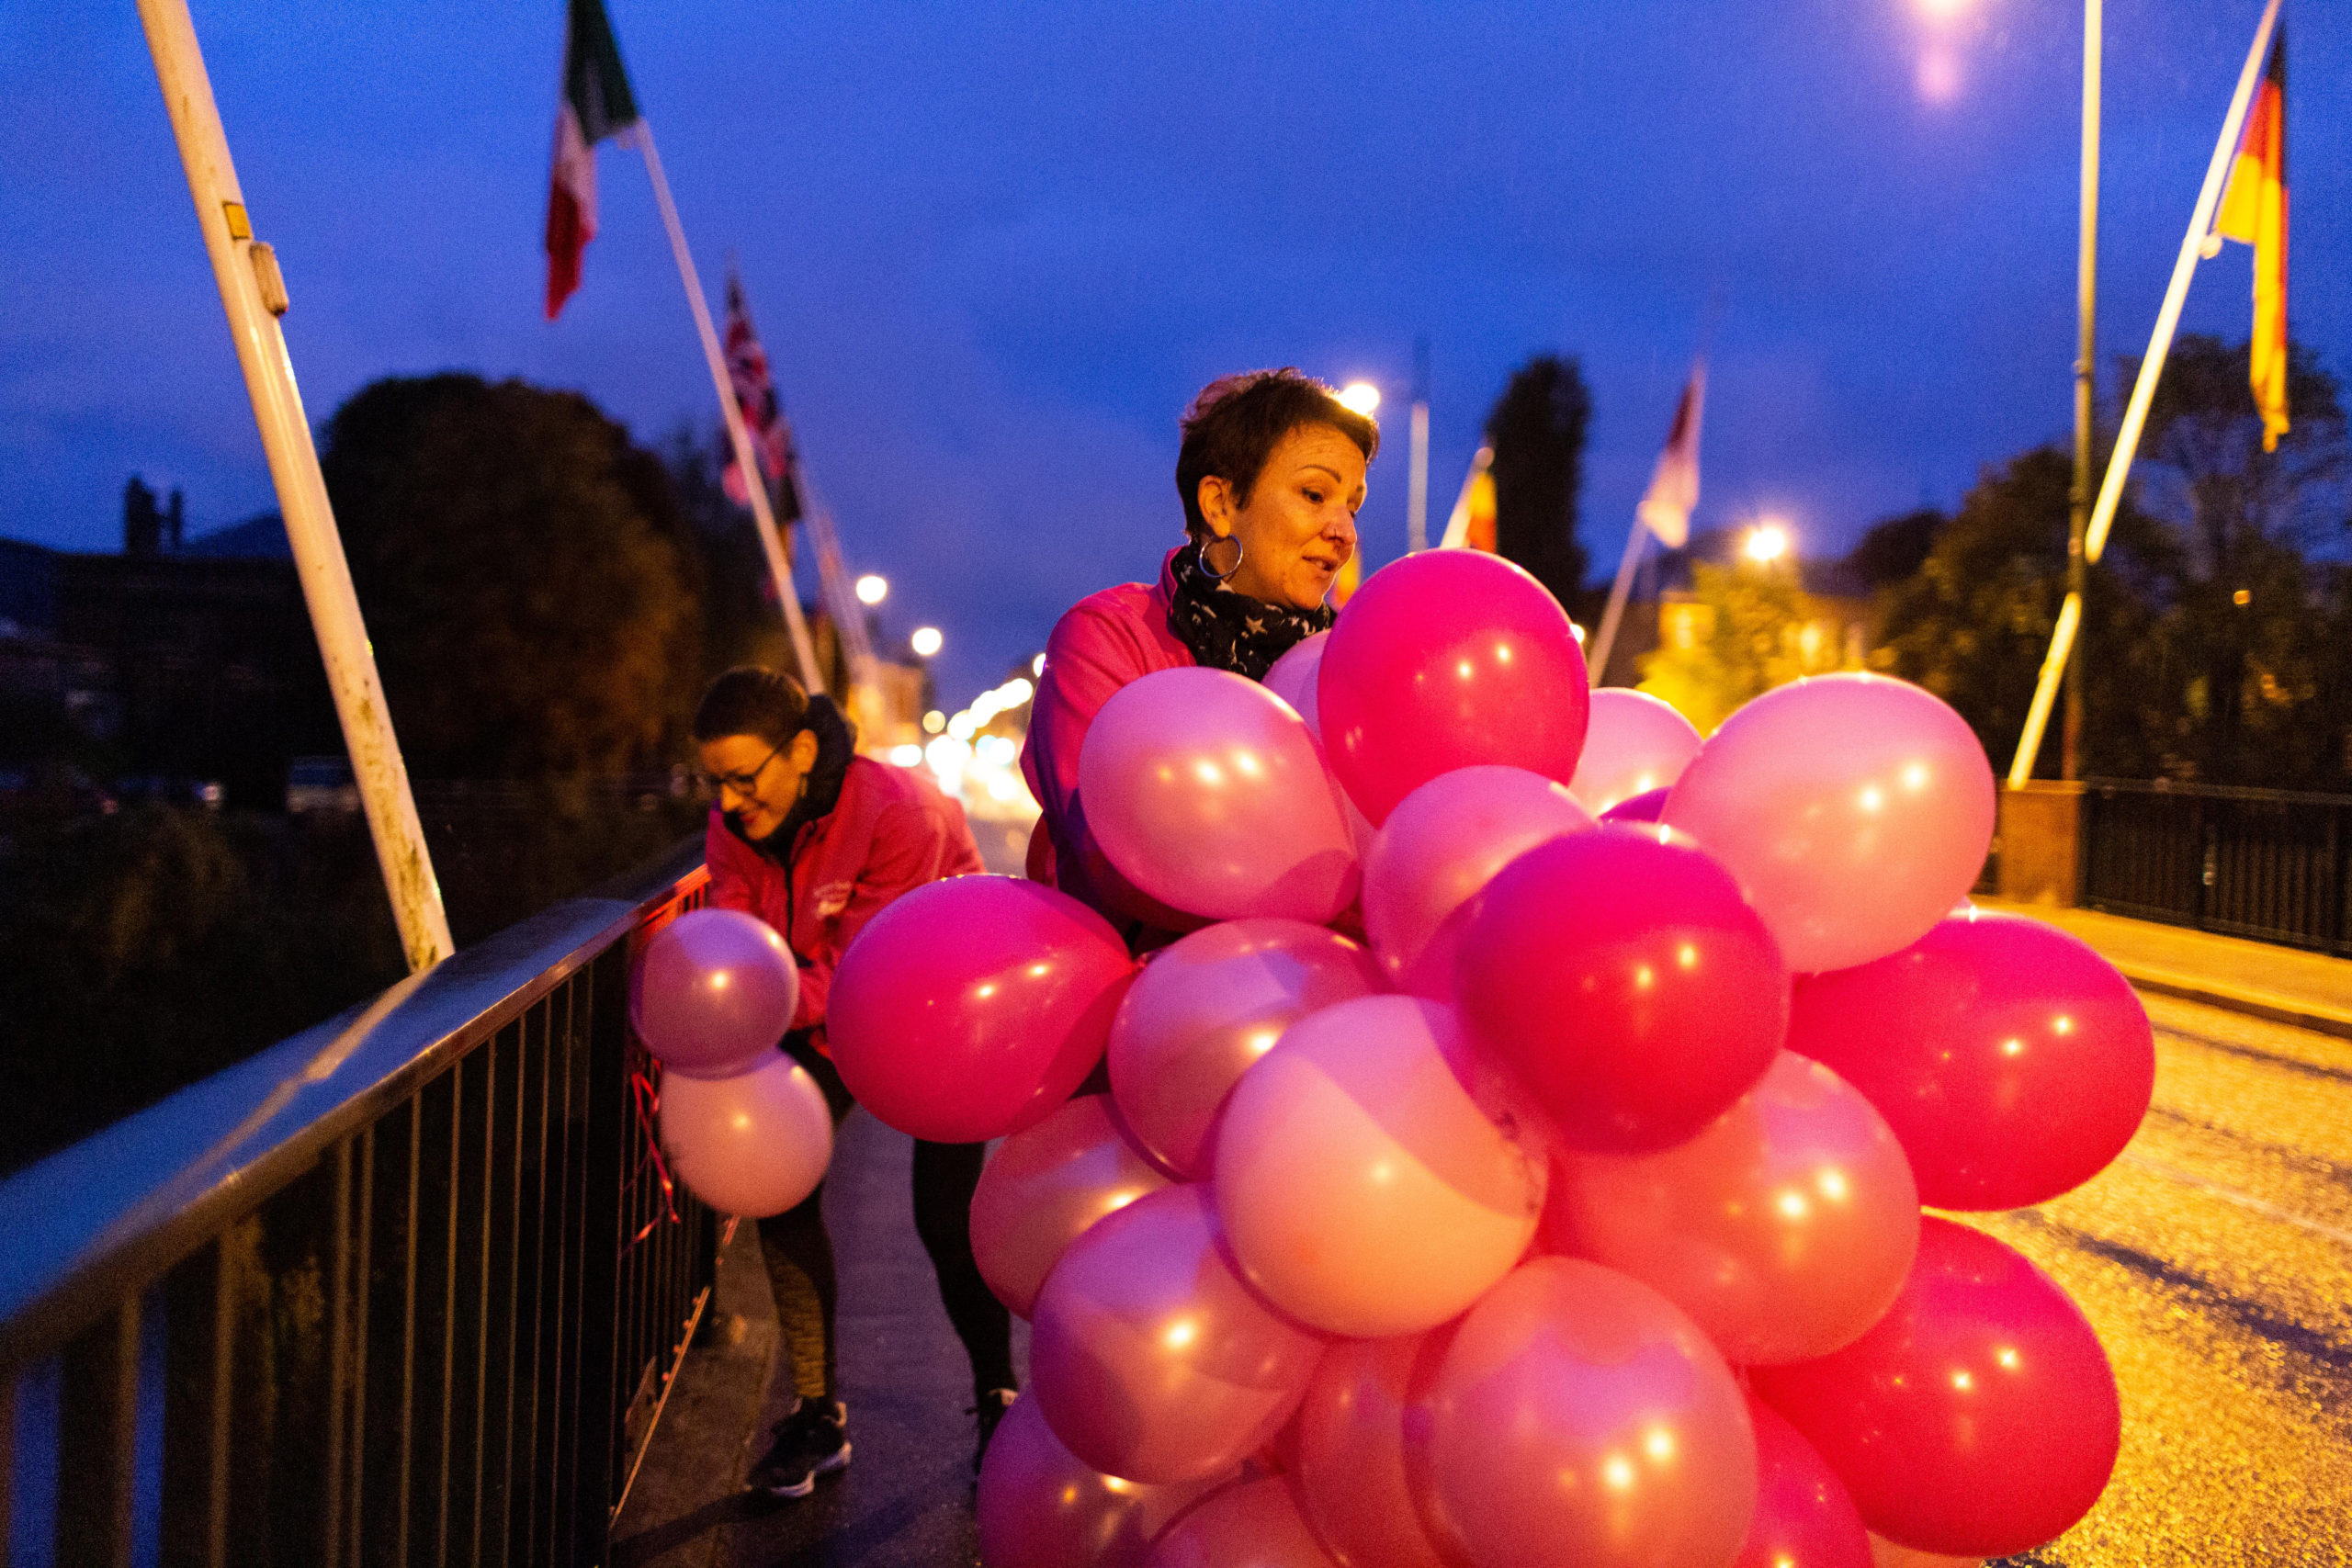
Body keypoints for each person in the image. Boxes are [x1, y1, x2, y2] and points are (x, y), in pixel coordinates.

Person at [694, 666, 1017, 1497]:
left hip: (936, 1005)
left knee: (944, 1219)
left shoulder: (896, 812)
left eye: (742, 779)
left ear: (800, 751)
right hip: (823, 1012)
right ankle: (817, 1414)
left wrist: (764, 984)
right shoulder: (732, 827)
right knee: (780, 1178)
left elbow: (868, 974)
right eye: (715, 783)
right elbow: (738, 943)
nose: (729, 805)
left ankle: (999, 1397)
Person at [1021, 367, 1378, 946]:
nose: (1343, 531)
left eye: (1353, 506)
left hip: (1331, 1014)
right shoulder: (1109, 638)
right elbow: (1113, 852)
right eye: (1315, 495)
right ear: (1219, 502)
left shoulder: (1353, 662)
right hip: (1146, 1011)